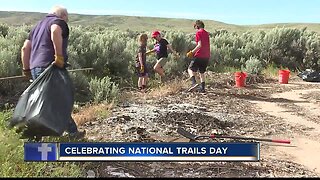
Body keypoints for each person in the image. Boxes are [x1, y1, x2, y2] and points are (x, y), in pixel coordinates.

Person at [21, 5, 85, 140]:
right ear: (63, 16)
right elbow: (55, 31)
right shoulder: (57, 22)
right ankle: (72, 133)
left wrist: (26, 69)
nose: (66, 22)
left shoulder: (37, 26)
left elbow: (25, 48)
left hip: (36, 68)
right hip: (50, 67)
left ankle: (35, 137)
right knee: (58, 101)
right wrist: (59, 57)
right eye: (66, 19)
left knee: (44, 102)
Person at [186, 20, 211, 93]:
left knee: (190, 69)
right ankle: (202, 88)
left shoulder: (198, 33)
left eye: (195, 27)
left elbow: (199, 45)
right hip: (207, 55)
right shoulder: (207, 33)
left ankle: (194, 83)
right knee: (202, 72)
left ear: (197, 26)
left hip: (199, 54)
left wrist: (192, 52)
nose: (195, 29)